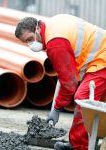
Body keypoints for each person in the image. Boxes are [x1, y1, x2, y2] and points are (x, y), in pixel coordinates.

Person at [14, 14, 106, 150]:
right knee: (96, 102)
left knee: (83, 99)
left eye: (30, 39)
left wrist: (57, 108)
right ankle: (80, 143)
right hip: (99, 56)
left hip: (102, 59)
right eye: (26, 42)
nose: (30, 45)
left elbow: (69, 82)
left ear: (38, 28)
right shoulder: (52, 26)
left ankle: (80, 146)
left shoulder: (55, 43)